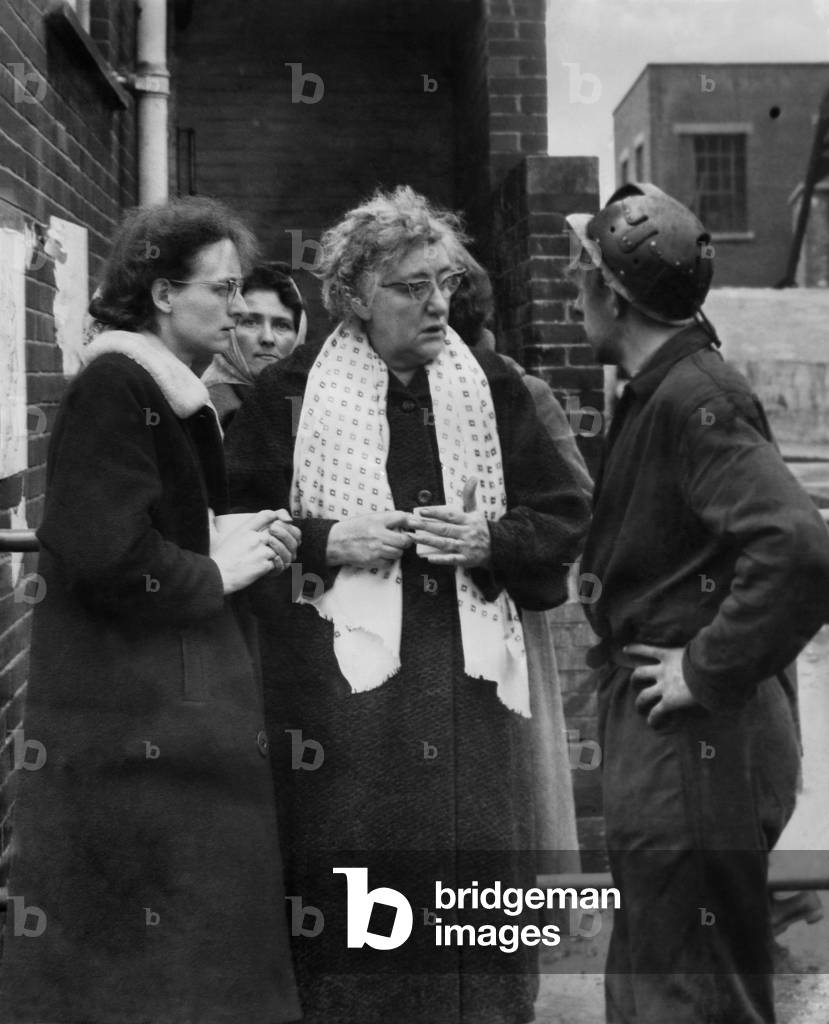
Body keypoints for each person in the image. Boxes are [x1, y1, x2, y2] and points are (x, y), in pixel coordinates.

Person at [224, 185, 591, 1024]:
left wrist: (492, 539)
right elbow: (235, 534)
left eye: (444, 283)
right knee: (353, 904)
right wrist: (326, 539)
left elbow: (565, 517)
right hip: (341, 713)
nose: (436, 304)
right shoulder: (286, 397)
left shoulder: (494, 387)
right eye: (410, 287)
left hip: (471, 710)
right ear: (352, 297)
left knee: (474, 905)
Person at [0, 197, 302, 1024]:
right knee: (156, 958)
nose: (239, 308)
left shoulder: (159, 389)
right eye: (223, 288)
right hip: (131, 731)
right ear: (164, 293)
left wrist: (221, 534)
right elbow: (104, 554)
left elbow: (139, 528)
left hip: (156, 723)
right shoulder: (117, 385)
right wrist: (217, 569)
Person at [565, 182, 829, 1024]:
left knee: (692, 994)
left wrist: (704, 670)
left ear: (612, 294)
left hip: (696, 747)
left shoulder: (696, 397)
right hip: (674, 745)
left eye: (581, 273)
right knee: (659, 982)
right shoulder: (662, 388)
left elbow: (799, 549)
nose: (574, 290)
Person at [449, 250, 592, 871]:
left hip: (505, 615)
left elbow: (575, 505)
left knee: (518, 783)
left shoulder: (519, 390)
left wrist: (496, 536)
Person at [202, 262, 307, 428]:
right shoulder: (206, 409)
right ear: (229, 329)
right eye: (251, 322)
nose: (267, 338)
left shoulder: (308, 408)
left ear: (299, 335)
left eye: (282, 325)